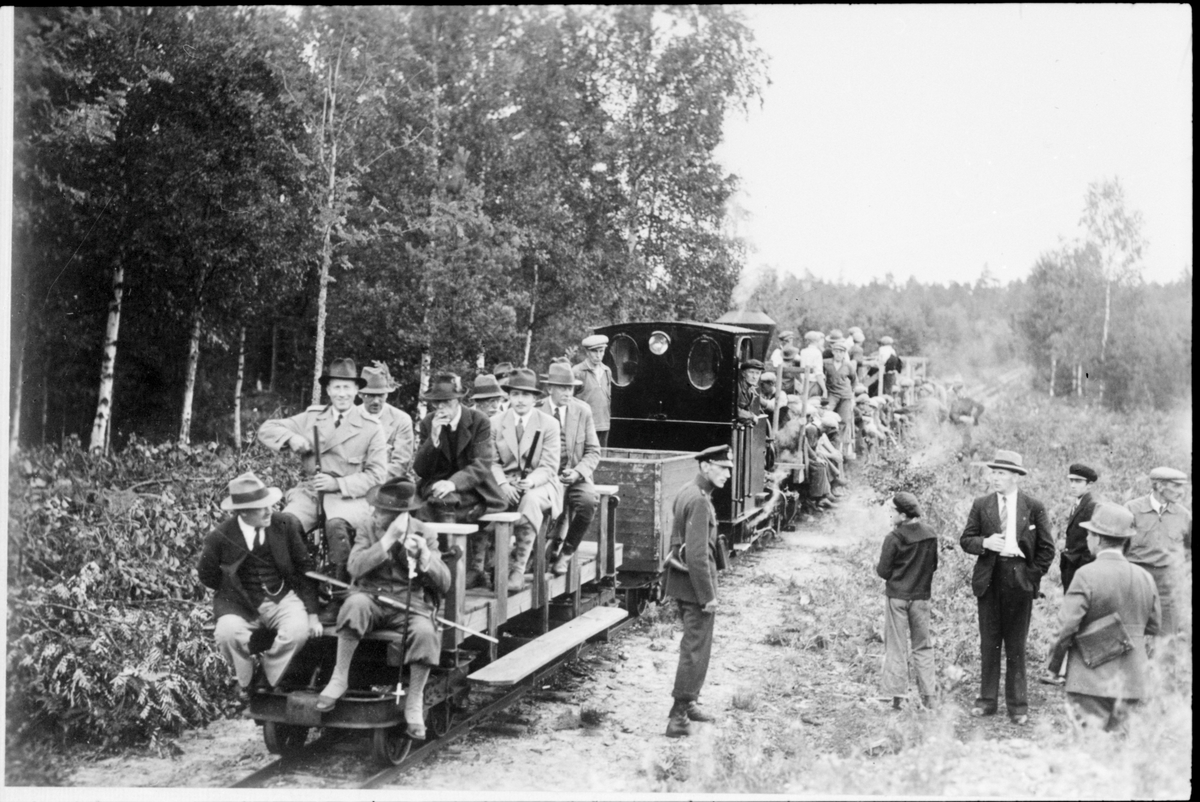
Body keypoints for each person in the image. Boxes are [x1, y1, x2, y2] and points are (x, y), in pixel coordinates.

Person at [314, 479, 450, 740]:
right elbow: (354, 567)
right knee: (354, 603)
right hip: (372, 601)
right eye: (375, 508)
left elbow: (444, 583)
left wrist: (424, 557)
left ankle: (414, 701)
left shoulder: (425, 533)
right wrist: (387, 542)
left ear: (400, 515)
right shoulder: (368, 528)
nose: (374, 513)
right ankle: (339, 677)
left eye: (381, 511)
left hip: (409, 607)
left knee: (425, 632)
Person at [258, 358, 388, 580]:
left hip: (349, 496)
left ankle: (340, 592)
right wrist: (291, 438)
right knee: (285, 523)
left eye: (347, 387)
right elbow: (267, 429)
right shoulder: (312, 418)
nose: (342, 394)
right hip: (311, 492)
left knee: (336, 526)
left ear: (357, 390)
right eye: (336, 387)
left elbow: (377, 476)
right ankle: (301, 582)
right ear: (328, 390)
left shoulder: (371, 427)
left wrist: (337, 483)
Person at [198, 473, 322, 696]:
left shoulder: (284, 524)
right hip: (239, 602)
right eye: (261, 508)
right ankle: (246, 680)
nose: (269, 511)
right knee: (226, 633)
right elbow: (207, 575)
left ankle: (268, 674)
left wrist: (312, 613)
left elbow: (305, 570)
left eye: (270, 505)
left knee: (297, 631)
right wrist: (231, 591)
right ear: (243, 512)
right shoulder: (220, 537)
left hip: (282, 597)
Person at [1047, 502, 1161, 734]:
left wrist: (1053, 665)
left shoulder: (1086, 574)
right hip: (1131, 681)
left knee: (1089, 750)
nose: (1088, 539)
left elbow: (1066, 627)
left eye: (1089, 534)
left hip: (1089, 680)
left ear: (1097, 539)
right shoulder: (1145, 577)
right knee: (1118, 755)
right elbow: (1154, 624)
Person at [959, 449, 1055, 725]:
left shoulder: (1033, 507)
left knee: (1016, 645)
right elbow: (966, 539)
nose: (995, 478)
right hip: (989, 579)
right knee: (989, 643)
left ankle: (1018, 706)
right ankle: (987, 701)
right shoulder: (982, 504)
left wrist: (1031, 577)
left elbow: (1048, 549)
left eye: (1001, 473)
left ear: (1015, 476)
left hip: (1019, 578)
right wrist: (985, 543)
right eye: (994, 472)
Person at [663, 445, 733, 738]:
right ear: (706, 466)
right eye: (722, 468)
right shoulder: (700, 500)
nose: (728, 474)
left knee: (696, 646)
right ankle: (678, 716)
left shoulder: (688, 491)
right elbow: (696, 555)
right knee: (694, 649)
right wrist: (708, 596)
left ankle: (689, 702)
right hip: (694, 588)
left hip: (683, 583)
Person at [411, 372, 506, 547]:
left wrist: (453, 483)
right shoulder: (428, 422)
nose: (440, 408)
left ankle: (448, 558)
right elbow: (421, 470)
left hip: (473, 488)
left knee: (430, 508)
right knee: (424, 505)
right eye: (436, 402)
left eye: (446, 402)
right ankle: (440, 559)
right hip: (437, 487)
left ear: (458, 401)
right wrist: (433, 439)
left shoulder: (479, 421)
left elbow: (481, 464)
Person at [489, 368, 563, 593]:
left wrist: (530, 482)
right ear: (508, 397)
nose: (520, 400)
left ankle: (518, 569)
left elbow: (550, 466)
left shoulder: (548, 424)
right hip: (505, 482)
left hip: (540, 484)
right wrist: (502, 484)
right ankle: (487, 564)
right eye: (515, 394)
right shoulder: (495, 422)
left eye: (525, 395)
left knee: (530, 500)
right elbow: (491, 462)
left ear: (534, 398)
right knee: (485, 498)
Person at [538, 362, 602, 576]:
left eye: (571, 388)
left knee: (588, 502)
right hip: (545, 477)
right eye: (562, 388)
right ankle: (535, 556)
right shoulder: (537, 411)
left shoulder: (582, 411)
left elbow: (594, 451)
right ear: (550, 389)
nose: (568, 392)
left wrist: (576, 473)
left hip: (574, 476)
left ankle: (566, 552)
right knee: (538, 505)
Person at [876, 492, 939, 709]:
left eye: (892, 511)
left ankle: (898, 698)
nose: (890, 514)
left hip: (897, 598)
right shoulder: (930, 534)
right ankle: (929, 698)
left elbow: (883, 571)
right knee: (923, 646)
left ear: (903, 515)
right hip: (921, 598)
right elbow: (933, 565)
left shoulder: (893, 538)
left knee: (896, 646)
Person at [1124, 467, 1191, 638]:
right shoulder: (1132, 509)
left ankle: (1164, 663)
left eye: (1182, 486)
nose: (1181, 492)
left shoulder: (1184, 516)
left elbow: (1189, 550)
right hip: (1137, 577)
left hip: (1168, 581)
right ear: (1160, 486)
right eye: (1176, 486)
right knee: (1131, 629)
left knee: (1168, 634)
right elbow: (1119, 545)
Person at [359, 363, 415, 481]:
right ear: (360, 394)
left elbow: (399, 465)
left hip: (386, 484)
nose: (376, 401)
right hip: (352, 483)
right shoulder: (349, 417)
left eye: (380, 395)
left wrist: (368, 481)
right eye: (370, 395)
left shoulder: (401, 420)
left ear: (387, 394)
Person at [1060, 463, 1100, 592]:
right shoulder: (1078, 503)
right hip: (1070, 566)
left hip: (1080, 568)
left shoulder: (1091, 505)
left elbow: (1093, 540)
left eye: (1078, 481)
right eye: (1071, 480)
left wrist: (1083, 568)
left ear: (1089, 485)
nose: (1072, 485)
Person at [573, 334, 613, 448]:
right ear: (587, 352)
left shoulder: (607, 371)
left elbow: (607, 398)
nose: (598, 355)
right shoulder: (578, 371)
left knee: (602, 461)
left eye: (601, 351)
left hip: (604, 425)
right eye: (594, 351)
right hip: (584, 426)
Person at [822, 340, 856, 459]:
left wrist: (852, 392)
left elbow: (853, 379)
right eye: (836, 352)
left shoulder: (848, 365)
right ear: (833, 352)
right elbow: (820, 373)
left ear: (844, 353)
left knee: (844, 420)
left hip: (845, 395)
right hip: (832, 393)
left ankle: (839, 446)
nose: (838, 354)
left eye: (841, 352)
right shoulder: (826, 363)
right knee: (826, 415)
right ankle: (827, 442)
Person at [799, 331, 826, 398]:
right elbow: (818, 373)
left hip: (804, 382)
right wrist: (824, 389)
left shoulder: (803, 351)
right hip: (814, 383)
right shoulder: (817, 352)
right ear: (817, 341)